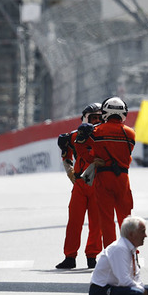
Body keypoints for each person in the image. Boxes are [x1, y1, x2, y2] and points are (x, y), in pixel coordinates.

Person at [55, 103, 104, 269]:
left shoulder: (107, 135)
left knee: (96, 224)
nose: (96, 121)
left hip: (100, 184)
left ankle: (92, 256)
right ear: (85, 118)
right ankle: (70, 256)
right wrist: (69, 171)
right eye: (93, 118)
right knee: (74, 222)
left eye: (99, 117)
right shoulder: (73, 136)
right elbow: (65, 152)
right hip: (80, 184)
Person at [88, 97, 135, 248]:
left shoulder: (96, 132)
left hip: (103, 177)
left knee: (107, 219)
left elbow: (86, 152)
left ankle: (111, 254)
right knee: (126, 218)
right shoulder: (130, 133)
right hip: (122, 178)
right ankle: (131, 253)